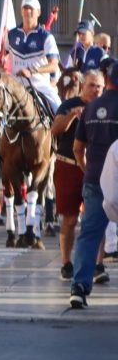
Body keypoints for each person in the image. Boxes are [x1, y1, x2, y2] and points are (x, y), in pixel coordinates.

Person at [68, 59, 118, 308]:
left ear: (106, 81)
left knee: (88, 235)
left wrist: (87, 170)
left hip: (96, 180)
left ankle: (79, 287)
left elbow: (77, 148)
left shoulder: (90, 108)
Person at [53, 70, 104, 281]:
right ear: (83, 85)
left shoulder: (106, 107)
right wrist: (72, 114)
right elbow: (54, 130)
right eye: (91, 85)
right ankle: (66, 262)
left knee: (96, 218)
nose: (95, 90)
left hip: (96, 167)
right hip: (69, 166)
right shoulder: (68, 104)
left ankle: (98, 264)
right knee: (70, 219)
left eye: (99, 86)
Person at [7, 0, 61, 115]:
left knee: (60, 110)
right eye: (25, 8)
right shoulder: (11, 34)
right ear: (21, 11)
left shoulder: (46, 36)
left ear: (39, 12)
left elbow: (54, 66)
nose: (28, 11)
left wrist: (32, 70)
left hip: (39, 85)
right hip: (15, 85)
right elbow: (2, 58)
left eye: (31, 8)